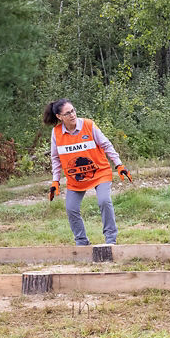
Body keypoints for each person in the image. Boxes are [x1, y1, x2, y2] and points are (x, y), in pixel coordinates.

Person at [44, 99, 132, 245]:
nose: (72, 115)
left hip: (99, 172)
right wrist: (55, 181)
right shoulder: (56, 133)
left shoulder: (88, 125)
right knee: (71, 209)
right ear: (59, 117)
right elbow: (55, 159)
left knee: (104, 201)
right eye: (67, 113)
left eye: (73, 110)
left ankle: (111, 240)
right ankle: (81, 242)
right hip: (76, 178)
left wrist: (119, 165)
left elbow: (106, 145)